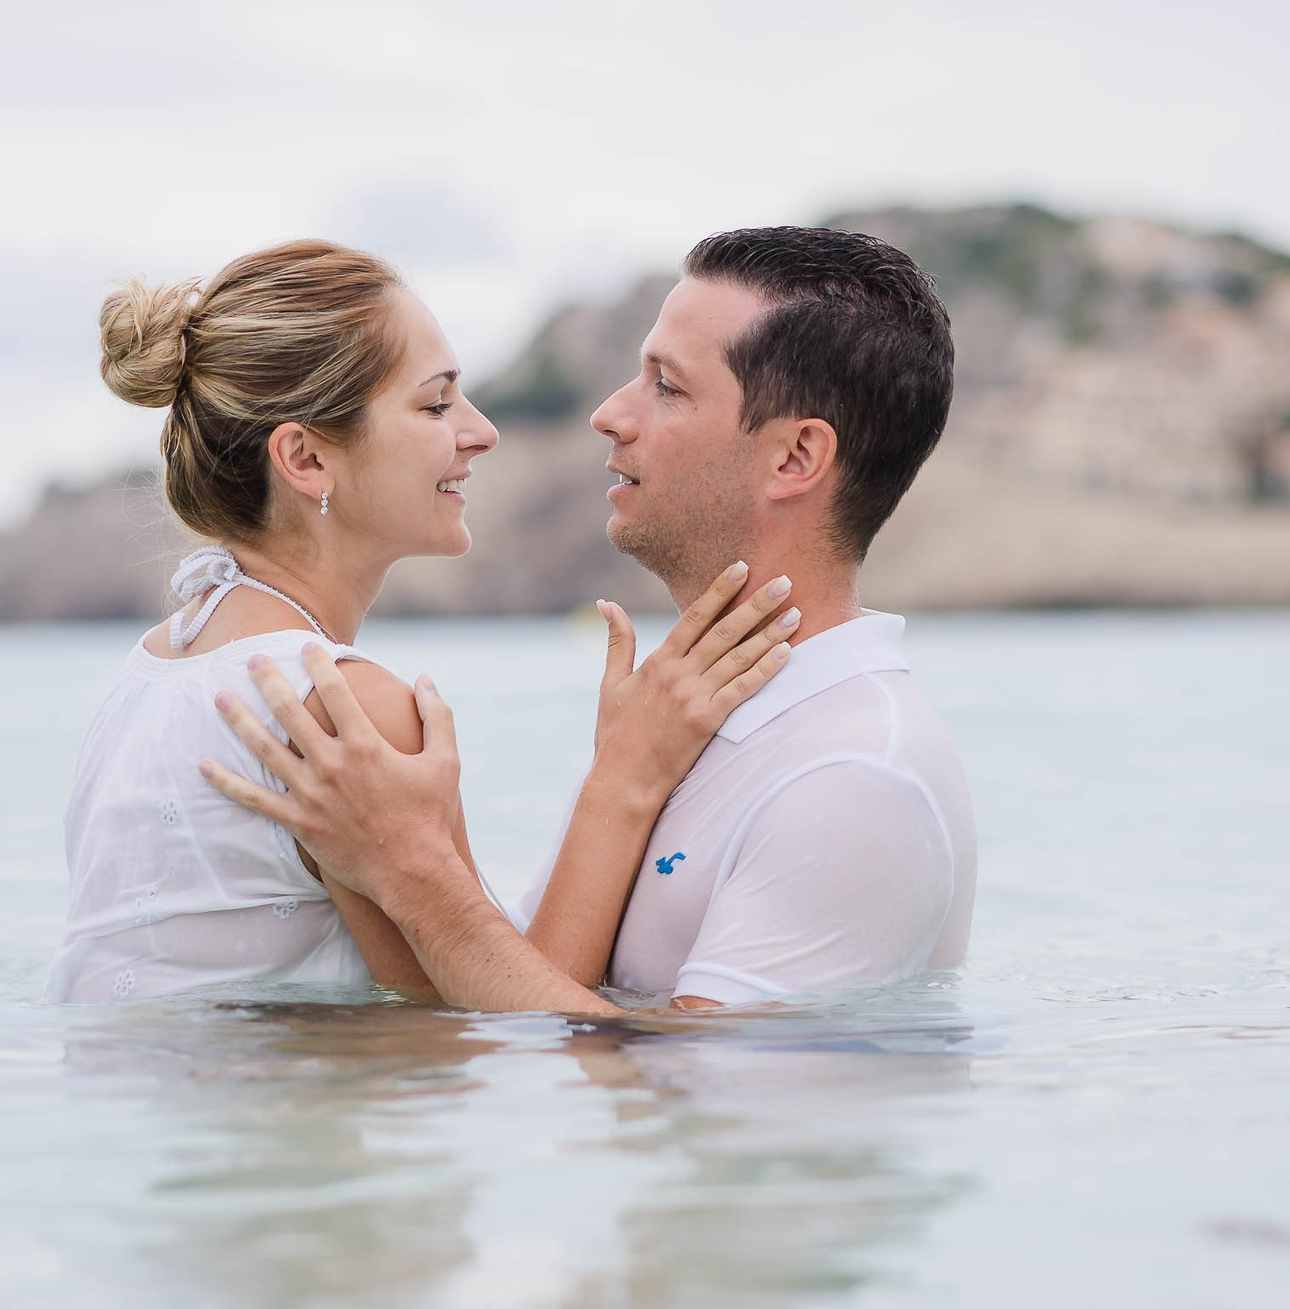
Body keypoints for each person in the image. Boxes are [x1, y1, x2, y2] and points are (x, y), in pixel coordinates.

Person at [200, 226, 977, 1013]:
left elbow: (686, 1100)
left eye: (666, 387)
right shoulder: (667, 723)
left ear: (794, 458)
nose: (610, 413)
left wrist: (411, 871)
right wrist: (618, 780)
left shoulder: (853, 774)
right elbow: (533, 990)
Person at [45, 239, 796, 1005]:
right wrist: (627, 772)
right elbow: (497, 1027)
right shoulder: (346, 711)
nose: (481, 431)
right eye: (436, 403)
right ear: (305, 460)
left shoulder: (156, 662)